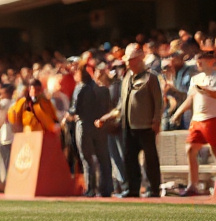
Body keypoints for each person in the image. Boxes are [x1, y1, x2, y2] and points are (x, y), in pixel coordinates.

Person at [99, 43, 164, 198]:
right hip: (128, 126)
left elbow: (158, 102)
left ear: (139, 59)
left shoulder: (151, 77)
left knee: (150, 159)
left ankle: (154, 189)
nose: (128, 63)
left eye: (131, 59)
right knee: (129, 159)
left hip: (146, 125)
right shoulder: (127, 77)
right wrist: (107, 117)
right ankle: (132, 189)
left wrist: (156, 120)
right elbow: (122, 104)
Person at [167, 49, 216, 195]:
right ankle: (193, 185)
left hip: (212, 118)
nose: (198, 63)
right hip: (197, 119)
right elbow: (190, 98)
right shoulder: (195, 78)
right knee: (191, 149)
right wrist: (177, 113)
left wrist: (205, 91)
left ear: (211, 61)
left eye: (202, 60)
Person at [70, 57, 113, 197]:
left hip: (84, 125)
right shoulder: (103, 90)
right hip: (99, 125)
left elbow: (74, 109)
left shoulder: (80, 88)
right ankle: (106, 188)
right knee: (103, 158)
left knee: (86, 159)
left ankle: (90, 188)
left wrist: (67, 115)